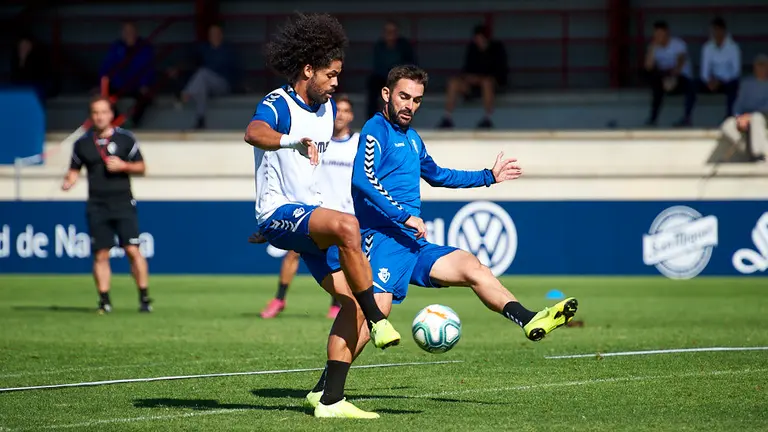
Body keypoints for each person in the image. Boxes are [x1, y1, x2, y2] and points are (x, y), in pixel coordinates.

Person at [303, 65, 579, 412]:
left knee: (471, 267)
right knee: (371, 314)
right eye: (404, 96)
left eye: (417, 100)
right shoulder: (377, 129)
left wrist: (487, 176)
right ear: (387, 95)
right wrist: (403, 216)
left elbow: (437, 175)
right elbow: (362, 179)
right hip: (383, 239)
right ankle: (328, 393)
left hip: (412, 244)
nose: (410, 105)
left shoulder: (413, 139)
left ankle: (528, 318)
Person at [243, 14, 398, 419]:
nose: (335, 83)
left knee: (352, 305)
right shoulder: (278, 104)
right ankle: (381, 323)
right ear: (307, 70)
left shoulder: (327, 109)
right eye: (330, 75)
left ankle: (329, 399)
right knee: (348, 227)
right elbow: (253, 132)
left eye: (338, 75)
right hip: (280, 213)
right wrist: (292, 141)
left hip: (305, 220)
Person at [257, 95, 359, 320]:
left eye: (345, 111)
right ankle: (279, 299)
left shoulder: (357, 144)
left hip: (344, 213)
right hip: (314, 209)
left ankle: (338, 304)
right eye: (338, 110)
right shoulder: (318, 141)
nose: (340, 114)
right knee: (293, 253)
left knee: (340, 259)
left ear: (351, 116)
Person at [61, 96, 151, 314]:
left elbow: (142, 167)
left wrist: (123, 166)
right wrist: (69, 180)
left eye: (103, 112)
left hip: (122, 202)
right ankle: (104, 300)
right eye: (95, 112)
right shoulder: (82, 144)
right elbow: (74, 170)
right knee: (101, 253)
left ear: (111, 115)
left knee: (132, 250)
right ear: (91, 116)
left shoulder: (126, 139)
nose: (99, 116)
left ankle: (144, 297)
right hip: (97, 205)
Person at [437, 25, 508, 129]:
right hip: (472, 85)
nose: (478, 41)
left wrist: (481, 79)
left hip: (491, 85)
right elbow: (466, 70)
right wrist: (469, 78)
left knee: (487, 82)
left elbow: (500, 73)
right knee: (453, 83)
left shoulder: (497, 48)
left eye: (480, 38)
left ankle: (487, 119)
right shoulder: (472, 48)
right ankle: (447, 118)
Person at [178, 23, 238, 129]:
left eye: (216, 33)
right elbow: (190, 61)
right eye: (211, 33)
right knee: (201, 85)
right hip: (207, 85)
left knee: (203, 73)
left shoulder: (228, 50)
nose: (214, 36)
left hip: (223, 85)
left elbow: (236, 71)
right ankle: (200, 118)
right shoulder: (204, 49)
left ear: (221, 35)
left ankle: (185, 94)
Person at [99, 21, 155, 128]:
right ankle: (117, 125)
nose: (128, 34)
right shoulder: (116, 47)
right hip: (118, 84)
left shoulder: (144, 48)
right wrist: (102, 85)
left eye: (131, 31)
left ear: (136, 32)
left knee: (146, 98)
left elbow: (148, 68)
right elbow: (106, 67)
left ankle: (134, 124)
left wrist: (144, 84)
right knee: (104, 99)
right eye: (126, 31)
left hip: (137, 85)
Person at [644, 20, 696, 127]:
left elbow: (680, 62)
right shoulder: (654, 47)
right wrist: (652, 48)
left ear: (666, 33)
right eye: (656, 34)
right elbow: (648, 67)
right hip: (663, 77)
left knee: (691, 87)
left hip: (680, 76)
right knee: (654, 82)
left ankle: (686, 118)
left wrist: (672, 78)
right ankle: (653, 118)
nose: (658, 36)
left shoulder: (678, 44)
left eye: (660, 33)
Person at [720, 54, 768, 162]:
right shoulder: (746, 83)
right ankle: (747, 149)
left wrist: (749, 117)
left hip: (763, 117)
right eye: (758, 65)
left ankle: (758, 154)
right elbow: (738, 103)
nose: (761, 68)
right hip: (745, 117)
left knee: (756, 117)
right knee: (727, 125)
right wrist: (738, 117)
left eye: (763, 65)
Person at [367, 20, 416, 119]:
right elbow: (377, 65)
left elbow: (411, 65)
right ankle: (372, 118)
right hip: (382, 77)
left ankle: (398, 117)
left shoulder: (404, 46)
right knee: (372, 82)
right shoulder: (379, 46)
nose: (390, 34)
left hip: (400, 77)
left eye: (393, 31)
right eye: (388, 31)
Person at [700, 17, 741, 118]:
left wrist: (720, 81)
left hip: (727, 82)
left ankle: (730, 116)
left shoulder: (733, 47)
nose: (715, 34)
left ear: (723, 31)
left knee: (734, 86)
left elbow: (736, 71)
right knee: (691, 85)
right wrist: (709, 80)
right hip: (712, 82)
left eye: (717, 30)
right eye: (713, 31)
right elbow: (704, 71)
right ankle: (687, 117)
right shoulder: (707, 47)